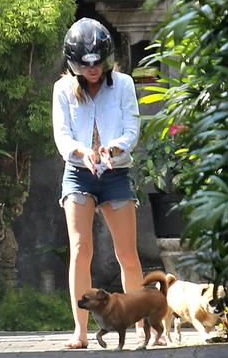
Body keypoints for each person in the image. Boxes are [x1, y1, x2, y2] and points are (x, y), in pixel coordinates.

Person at [52, 18, 147, 349]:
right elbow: (62, 137)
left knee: (127, 254)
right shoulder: (63, 89)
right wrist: (83, 152)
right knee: (80, 249)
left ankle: (137, 326)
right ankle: (80, 331)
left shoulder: (123, 84)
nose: (91, 69)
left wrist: (112, 149)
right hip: (78, 172)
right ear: (74, 63)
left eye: (96, 62)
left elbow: (132, 131)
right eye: (84, 63)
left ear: (106, 59)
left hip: (116, 172)